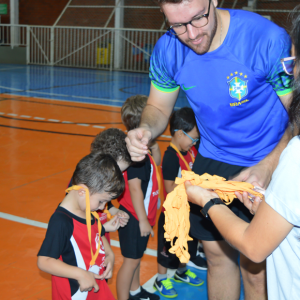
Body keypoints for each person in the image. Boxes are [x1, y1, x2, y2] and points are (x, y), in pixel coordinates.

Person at [125, 1, 294, 299]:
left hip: (268, 158)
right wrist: (147, 129)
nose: (190, 34)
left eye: (198, 19)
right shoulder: (169, 50)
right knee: (217, 258)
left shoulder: (266, 39)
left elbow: (296, 116)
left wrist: (269, 165)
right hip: (214, 159)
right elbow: (157, 107)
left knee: (255, 272)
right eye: (177, 25)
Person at [185, 11, 300, 300]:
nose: (291, 73)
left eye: (293, 64)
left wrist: (206, 199)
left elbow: (253, 245)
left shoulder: (295, 158)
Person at [37, 153, 125, 300]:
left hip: (97, 285)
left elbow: (98, 234)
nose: (103, 207)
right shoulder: (61, 221)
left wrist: (110, 256)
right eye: (102, 201)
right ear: (82, 191)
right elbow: (44, 260)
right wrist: (81, 274)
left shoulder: (88, 209)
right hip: (75, 293)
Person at [154, 107, 205, 298]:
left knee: (187, 245)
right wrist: (191, 190)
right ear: (179, 133)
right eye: (192, 138)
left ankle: (181, 272)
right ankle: (161, 278)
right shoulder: (171, 157)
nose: (194, 143)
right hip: (172, 214)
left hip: (187, 211)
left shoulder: (189, 151)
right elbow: (168, 188)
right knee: (167, 249)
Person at [116, 95, 161, 300]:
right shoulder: (136, 157)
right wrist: (142, 220)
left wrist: (155, 144)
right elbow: (134, 189)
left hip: (142, 213)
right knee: (130, 261)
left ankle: (134, 291)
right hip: (134, 216)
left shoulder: (143, 148)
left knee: (136, 258)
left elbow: (157, 162)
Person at [68, 128, 132, 235]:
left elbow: (105, 203)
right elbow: (78, 227)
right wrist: (102, 229)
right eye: (117, 171)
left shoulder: (101, 183)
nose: (118, 176)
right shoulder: (81, 185)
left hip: (99, 235)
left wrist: (115, 212)